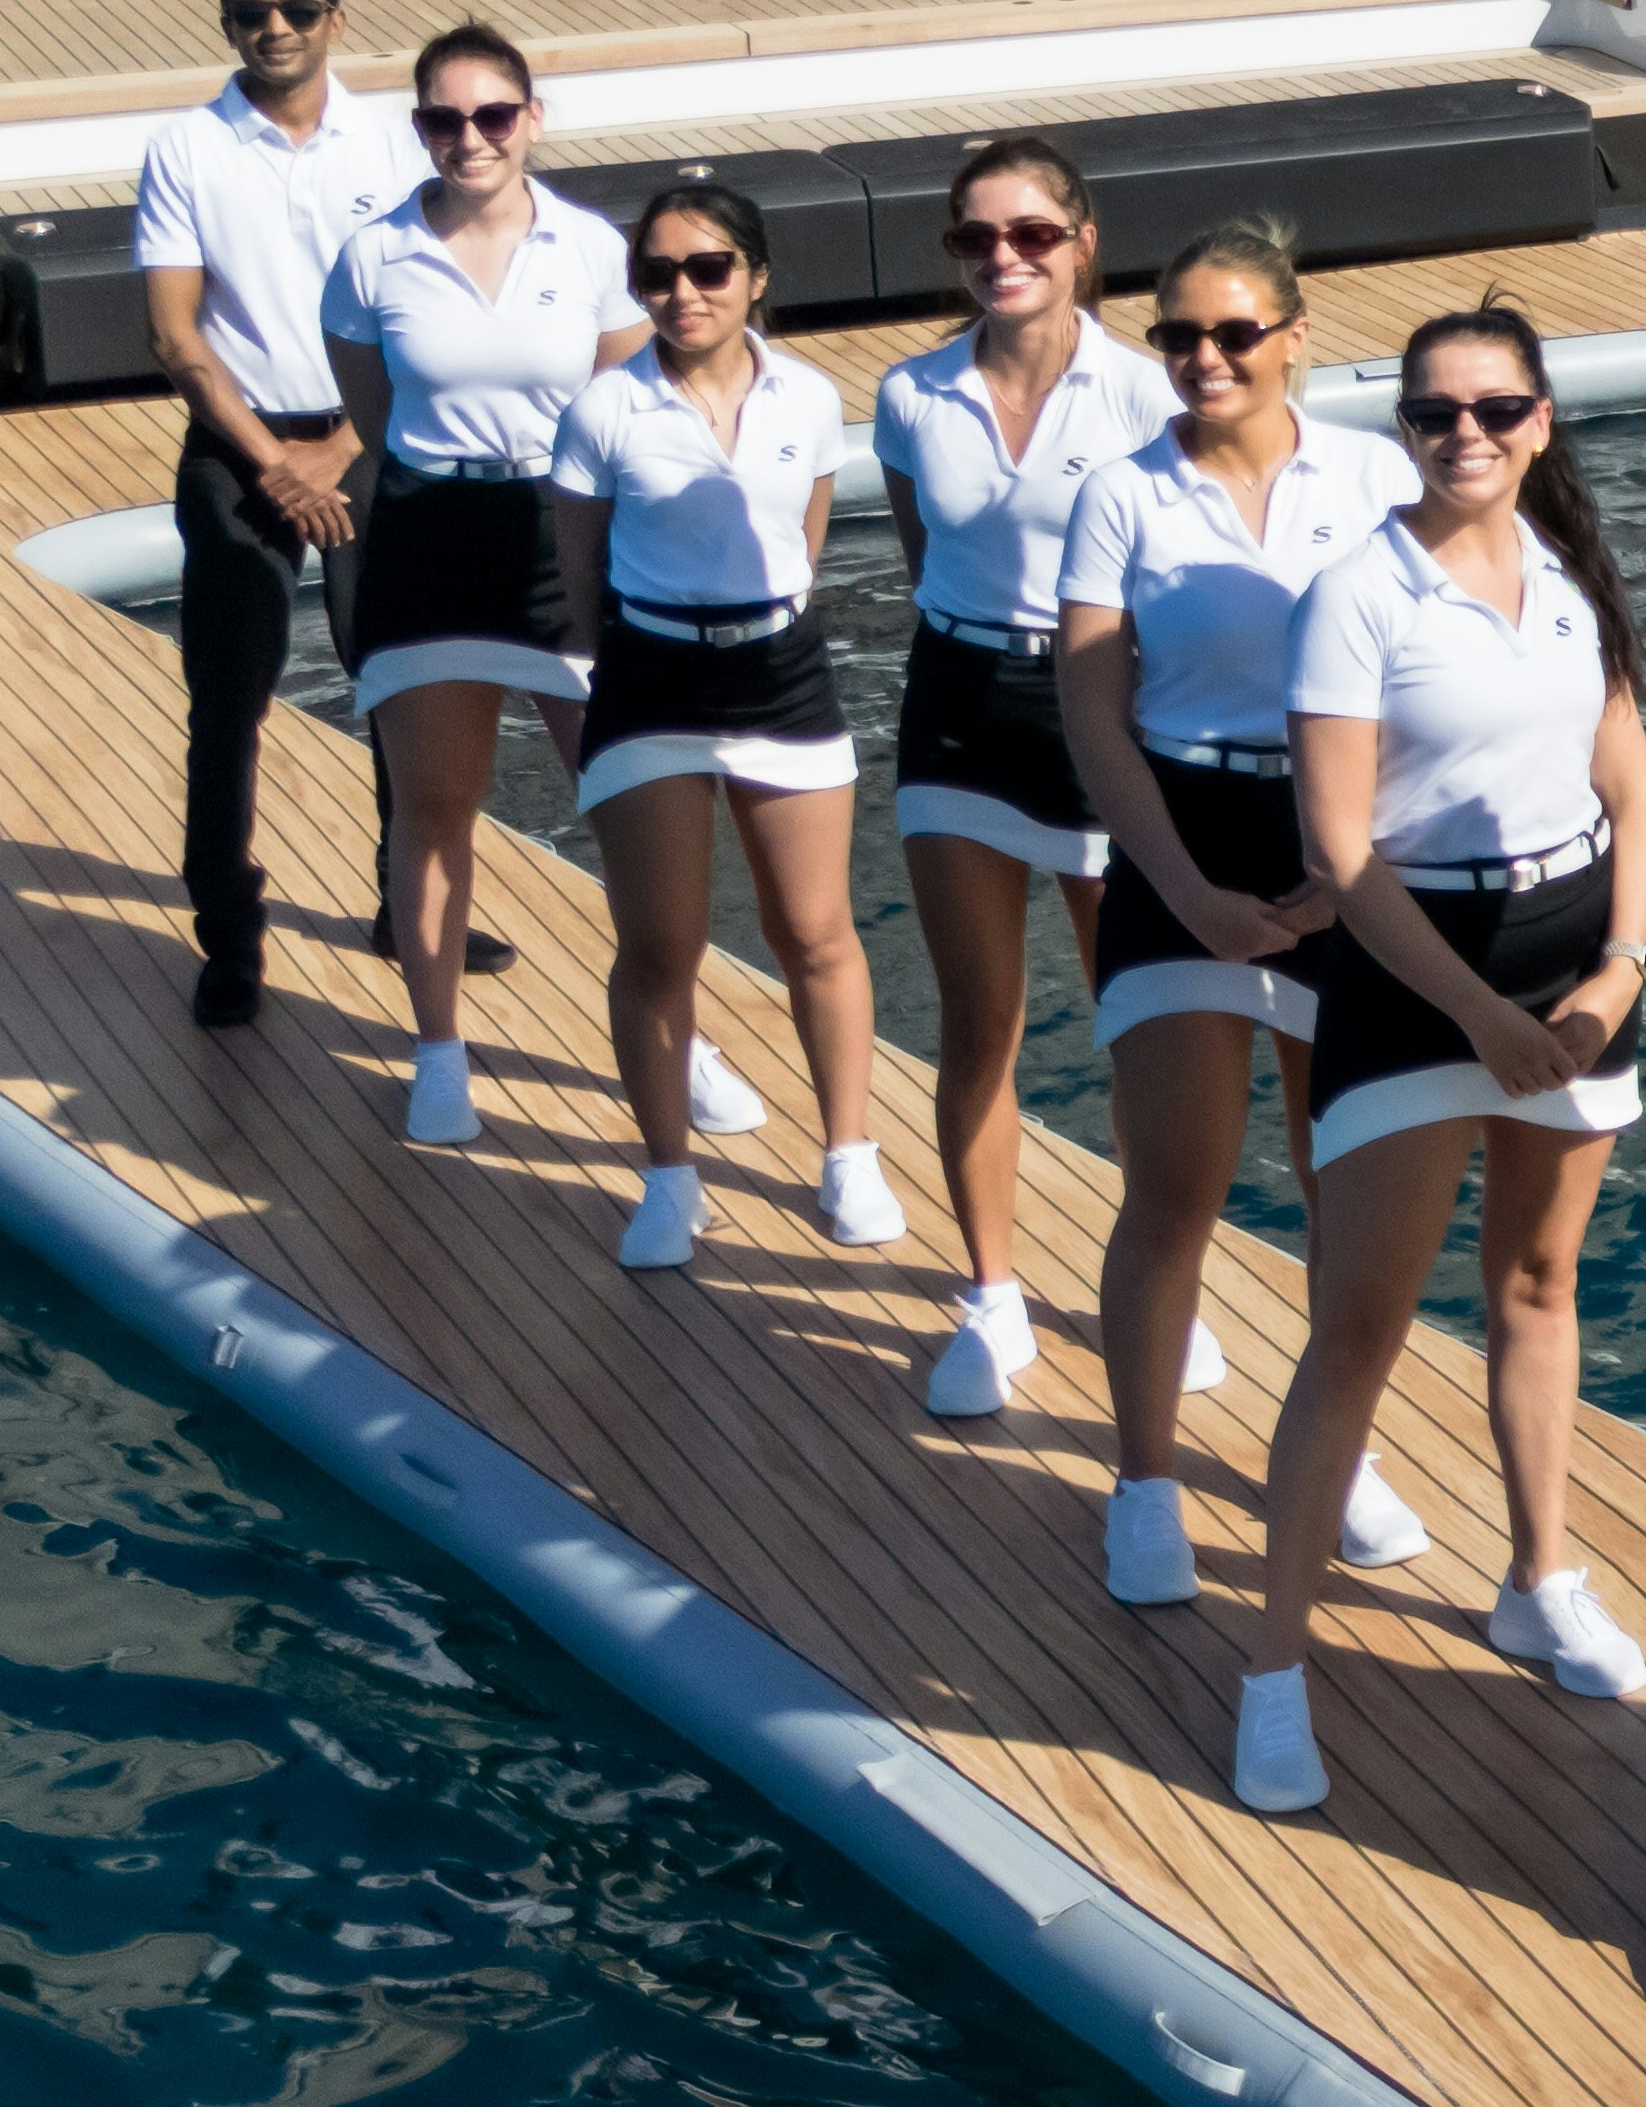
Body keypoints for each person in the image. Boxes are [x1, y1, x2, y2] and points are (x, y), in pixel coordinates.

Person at [1236, 300, 1646, 1798]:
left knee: (1539, 1288)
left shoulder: (1570, 575)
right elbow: (1343, 857)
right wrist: (1482, 1019)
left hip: (1572, 966)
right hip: (1417, 971)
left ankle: (1537, 1577)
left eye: (1495, 410)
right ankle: (1277, 1665)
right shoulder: (1355, 597)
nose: (1466, 436)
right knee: (1357, 1332)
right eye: (1436, 413)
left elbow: (1633, 786)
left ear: (1541, 420)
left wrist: (1618, 970)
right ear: (1403, 427)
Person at [1050, 218, 1417, 1621]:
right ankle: (1146, 1480)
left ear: (1294, 336)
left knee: (1348, 1186)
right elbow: (1094, 706)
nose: (1205, 359)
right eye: (1178, 337)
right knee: (1176, 1183)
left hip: (1346, 845)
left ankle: (1342, 1446)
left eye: (1233, 333)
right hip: (1180, 836)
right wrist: (1186, 886)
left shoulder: (1379, 477)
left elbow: (1414, 670)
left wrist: (1355, 870)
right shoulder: (1122, 495)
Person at [549, 175, 907, 1273]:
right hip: (652, 680)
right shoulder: (604, 408)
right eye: (657, 273)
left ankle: (848, 1151)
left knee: (815, 931)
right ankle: (668, 1177)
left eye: (708, 269)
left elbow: (798, 547)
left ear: (756, 278)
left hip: (782, 676)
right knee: (661, 943)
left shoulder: (807, 396)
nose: (682, 292)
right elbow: (577, 579)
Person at [314, 20, 633, 1162]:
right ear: (419, 129)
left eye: (494, 114)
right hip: (430, 533)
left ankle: (671, 1031)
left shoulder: (593, 248)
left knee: (630, 800)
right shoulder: (374, 255)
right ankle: (439, 1051)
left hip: (558, 534)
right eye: (445, 119)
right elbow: (375, 406)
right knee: (436, 806)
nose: (471, 138)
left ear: (532, 119)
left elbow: (625, 407)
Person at [873, 133, 1144, 1417]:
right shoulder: (910, 395)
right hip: (961, 702)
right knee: (979, 1021)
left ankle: (1162, 1281)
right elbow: (933, 551)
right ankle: (991, 1294)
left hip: (1106, 703)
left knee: (1141, 1025)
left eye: (1032, 233)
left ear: (1083, 240)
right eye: (977, 238)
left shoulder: (1147, 395)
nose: (1004, 257)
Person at [128, 0, 383, 1033]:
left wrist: (344, 446)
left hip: (371, 435)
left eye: (296, 9)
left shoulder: (395, 142)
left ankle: (408, 902)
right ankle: (229, 935)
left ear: (336, 12)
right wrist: (279, 465)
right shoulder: (187, 149)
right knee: (227, 701)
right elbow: (179, 339)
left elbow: (429, 315)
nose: (274, 28)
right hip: (241, 445)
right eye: (250, 13)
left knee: (401, 691)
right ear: (225, 21)